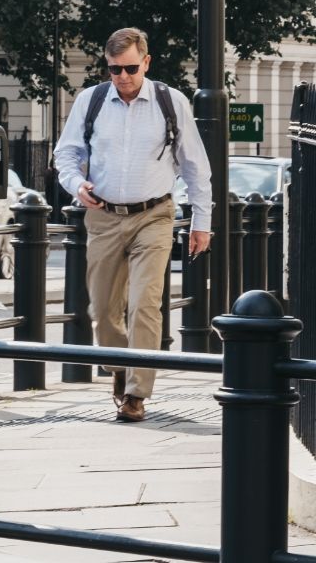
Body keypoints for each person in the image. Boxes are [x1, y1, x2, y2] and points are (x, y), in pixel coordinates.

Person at [52, 27, 212, 422]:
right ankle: (120, 366)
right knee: (103, 311)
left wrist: (201, 222)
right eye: (113, 69)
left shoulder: (169, 101)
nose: (122, 77)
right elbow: (65, 155)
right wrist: (76, 184)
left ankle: (137, 394)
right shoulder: (91, 101)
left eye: (129, 68)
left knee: (144, 303)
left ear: (146, 62)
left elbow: (196, 166)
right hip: (103, 216)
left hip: (154, 215)